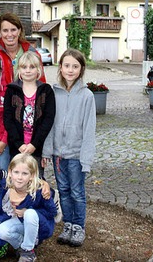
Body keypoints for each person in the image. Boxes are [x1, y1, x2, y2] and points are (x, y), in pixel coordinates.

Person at [42, 48, 96, 247]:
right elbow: (49, 125)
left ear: (81, 69)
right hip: (58, 154)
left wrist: (86, 159)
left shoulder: (87, 96)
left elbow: (89, 130)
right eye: (67, 66)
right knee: (63, 191)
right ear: (61, 68)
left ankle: (78, 226)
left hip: (76, 154)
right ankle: (68, 225)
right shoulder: (53, 94)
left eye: (75, 66)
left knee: (77, 192)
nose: (70, 70)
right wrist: (47, 151)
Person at [0, 153, 57, 262]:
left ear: (32, 175)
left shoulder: (40, 191)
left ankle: (28, 251)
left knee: (30, 213)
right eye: (16, 172)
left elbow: (52, 212)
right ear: (10, 172)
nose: (19, 177)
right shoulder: (5, 185)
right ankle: (23, 247)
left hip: (38, 225)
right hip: (17, 222)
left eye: (25, 173)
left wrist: (27, 212)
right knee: (1, 231)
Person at [3, 51, 55, 177]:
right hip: (17, 147)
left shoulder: (46, 90)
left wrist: (34, 145)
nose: (28, 70)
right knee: (17, 180)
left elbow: (48, 120)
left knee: (35, 180)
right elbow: (7, 118)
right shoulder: (11, 90)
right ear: (19, 70)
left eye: (32, 67)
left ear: (38, 70)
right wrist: (19, 144)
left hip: (36, 148)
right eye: (24, 67)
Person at [0, 12, 45, 86]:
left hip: (28, 96)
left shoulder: (31, 52)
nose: (9, 34)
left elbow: (41, 82)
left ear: (19, 31)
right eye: (5, 30)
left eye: (13, 30)